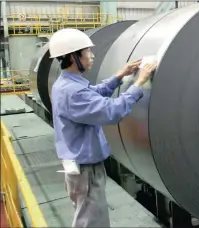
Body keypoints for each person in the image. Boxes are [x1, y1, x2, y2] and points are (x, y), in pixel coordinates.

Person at [48, 28, 157, 227]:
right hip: (85, 170)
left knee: (88, 216)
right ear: (74, 57)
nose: (92, 56)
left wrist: (119, 76)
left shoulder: (66, 84)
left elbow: (95, 93)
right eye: (88, 52)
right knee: (92, 221)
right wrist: (140, 82)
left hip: (81, 167)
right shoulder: (73, 92)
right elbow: (112, 111)